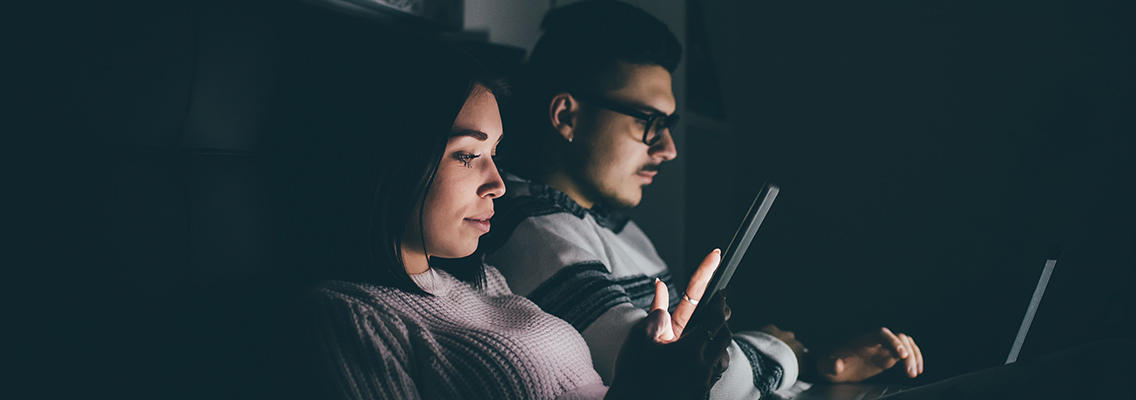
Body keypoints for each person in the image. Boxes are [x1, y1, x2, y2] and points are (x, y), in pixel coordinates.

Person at [482, 1, 923, 398]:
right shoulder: (534, 231)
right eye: (651, 122)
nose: (668, 148)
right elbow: (688, 379)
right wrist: (792, 354)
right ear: (566, 116)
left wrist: (824, 364)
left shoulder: (614, 227)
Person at [267, 41, 733, 399]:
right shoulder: (344, 315)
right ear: (388, 159)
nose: (499, 183)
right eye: (468, 155)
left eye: (495, 153)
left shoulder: (485, 282)